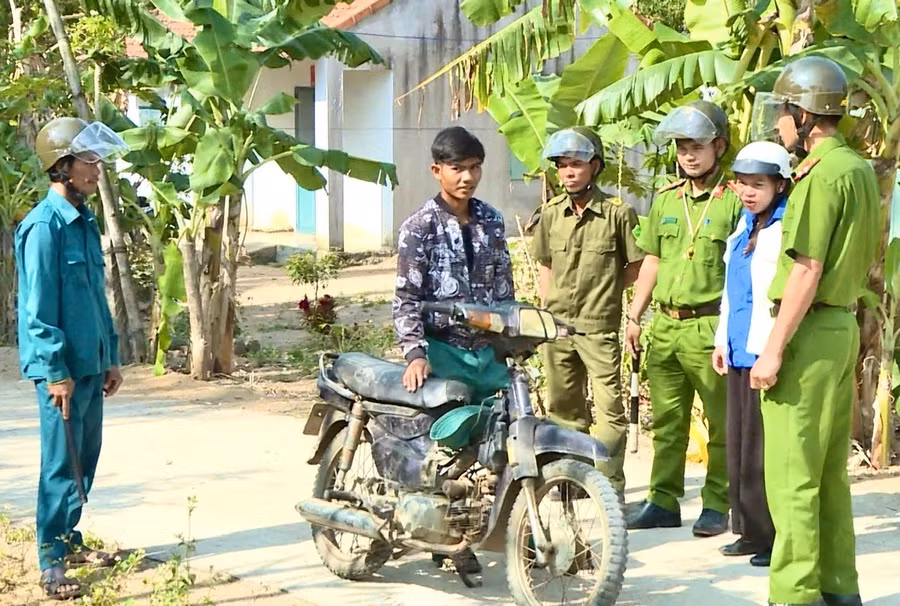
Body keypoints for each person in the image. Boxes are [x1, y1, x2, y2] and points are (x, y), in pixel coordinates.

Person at [749, 55, 878, 606]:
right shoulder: (858, 168)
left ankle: (794, 595)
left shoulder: (820, 175)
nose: (779, 123)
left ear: (805, 114)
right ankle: (838, 587)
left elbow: (806, 269)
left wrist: (772, 350)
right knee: (827, 476)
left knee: (791, 480)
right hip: (841, 328)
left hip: (806, 330)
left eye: (783, 111)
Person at [15, 117, 129, 600]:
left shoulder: (83, 221)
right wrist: (55, 372)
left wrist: (110, 356)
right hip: (61, 374)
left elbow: (94, 299)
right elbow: (37, 311)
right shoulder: (43, 228)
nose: (97, 169)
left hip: (91, 365)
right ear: (61, 166)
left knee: (86, 462)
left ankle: (70, 539)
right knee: (62, 468)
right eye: (89, 161)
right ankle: (51, 564)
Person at [392, 125, 514, 575]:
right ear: (437, 170)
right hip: (442, 351)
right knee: (447, 449)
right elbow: (406, 299)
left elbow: (505, 291)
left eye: (475, 168)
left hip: (488, 352)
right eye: (457, 168)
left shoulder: (492, 220)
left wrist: (513, 338)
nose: (467, 177)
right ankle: (447, 539)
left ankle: (506, 528)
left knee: (505, 436)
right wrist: (414, 353)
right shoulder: (418, 229)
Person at [624, 100, 743, 536]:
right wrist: (635, 315)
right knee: (668, 422)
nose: (688, 155)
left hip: (709, 325)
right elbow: (653, 258)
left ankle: (717, 503)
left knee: (721, 424)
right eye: (681, 147)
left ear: (719, 146)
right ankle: (662, 500)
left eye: (697, 145)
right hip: (666, 326)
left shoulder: (734, 200)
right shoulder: (667, 198)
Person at [529, 127, 644, 500]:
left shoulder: (617, 214)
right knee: (564, 410)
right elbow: (545, 265)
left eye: (576, 164)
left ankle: (609, 486)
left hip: (599, 328)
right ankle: (570, 484)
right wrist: (547, 313)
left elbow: (637, 266)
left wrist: (608, 290)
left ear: (595, 166)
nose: (568, 173)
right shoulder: (550, 214)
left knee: (609, 411)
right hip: (558, 327)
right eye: (563, 166)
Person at [712, 141, 793, 568]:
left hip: (764, 351)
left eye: (758, 184)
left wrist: (771, 351)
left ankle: (770, 537)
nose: (748, 192)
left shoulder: (783, 230)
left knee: (763, 451)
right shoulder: (743, 228)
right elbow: (732, 294)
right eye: (743, 183)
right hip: (738, 350)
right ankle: (746, 530)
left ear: (780, 185)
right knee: (739, 447)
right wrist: (720, 341)